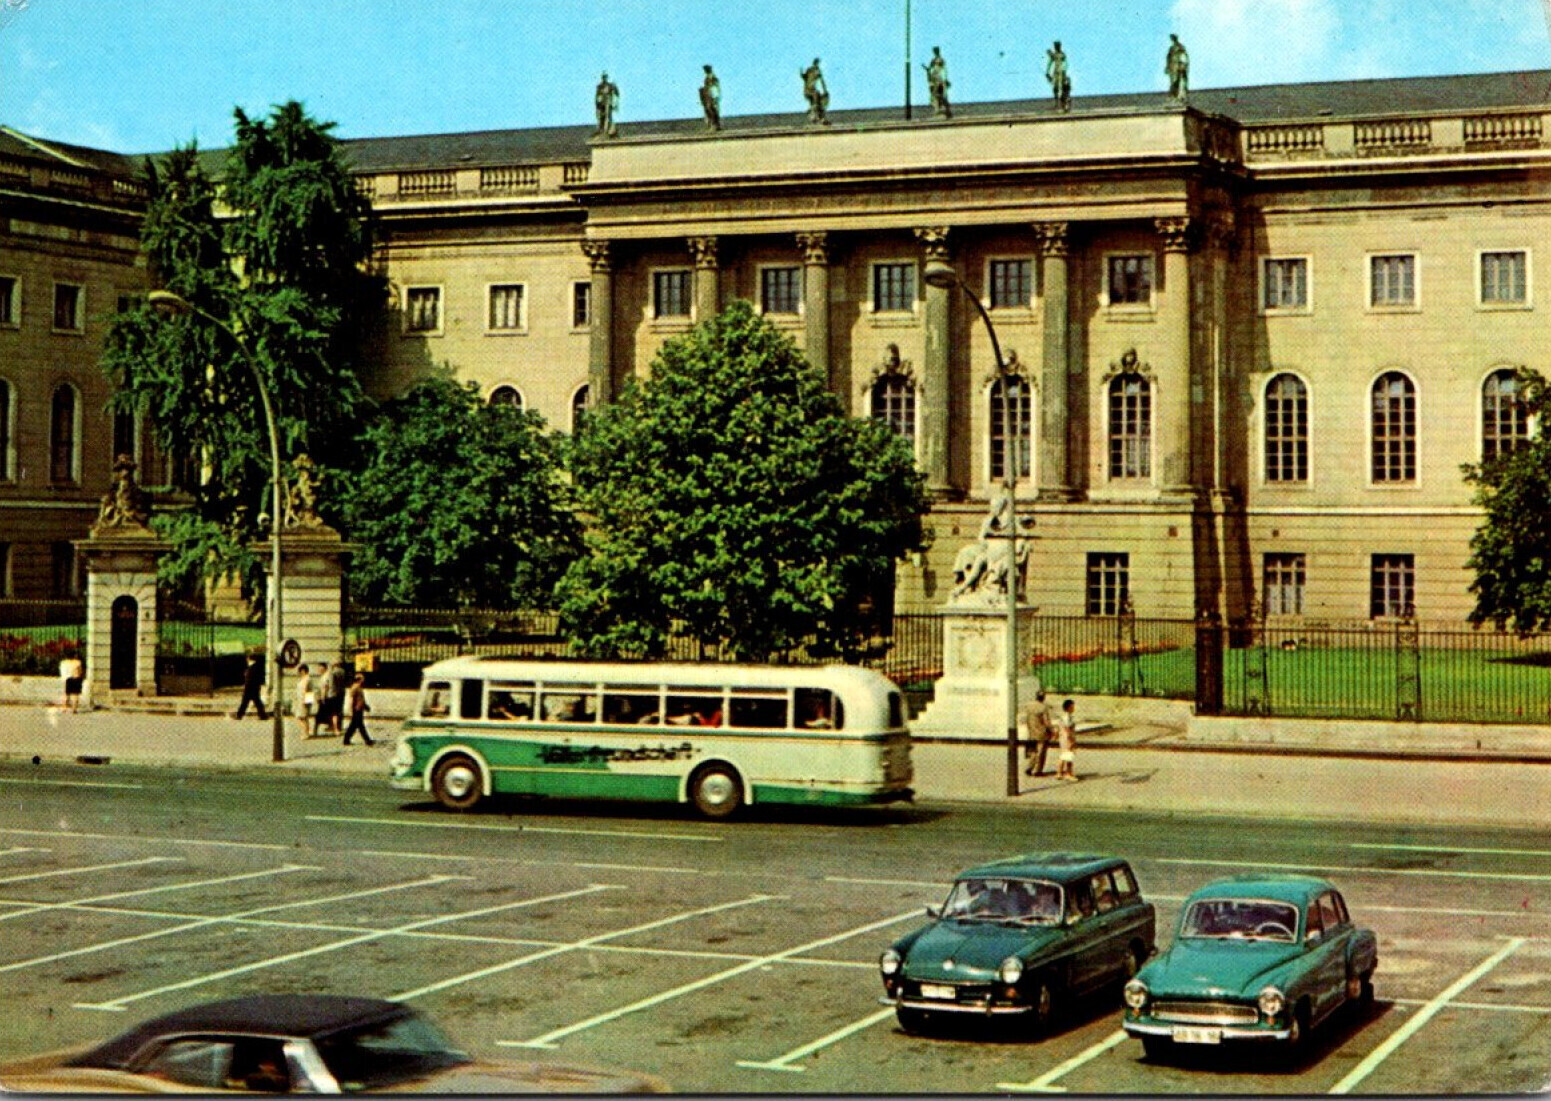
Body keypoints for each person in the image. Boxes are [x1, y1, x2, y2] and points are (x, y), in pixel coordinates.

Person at [1021, 690, 1055, 777]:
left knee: (1033, 751)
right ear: (1044, 697)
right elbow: (1046, 721)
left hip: (1031, 732)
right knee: (1041, 752)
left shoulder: (1029, 706)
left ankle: (1030, 767)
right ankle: (1037, 770)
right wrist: (1052, 730)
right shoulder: (1043, 707)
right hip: (1041, 733)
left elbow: (1026, 719)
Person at [342, 673, 375, 746]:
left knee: (355, 726)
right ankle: (367, 741)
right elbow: (352, 699)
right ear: (359, 680)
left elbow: (361, 699)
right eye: (362, 678)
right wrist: (351, 710)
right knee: (358, 726)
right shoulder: (355, 688)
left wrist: (365, 706)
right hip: (356, 709)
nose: (364, 680)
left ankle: (347, 740)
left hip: (359, 708)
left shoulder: (359, 687)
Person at [234, 653, 268, 721]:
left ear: (250, 659)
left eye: (248, 659)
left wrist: (246, 687)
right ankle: (263, 715)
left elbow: (250, 679)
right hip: (253, 688)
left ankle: (239, 715)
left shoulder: (253, 667)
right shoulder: (254, 667)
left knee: (246, 703)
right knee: (256, 702)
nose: (247, 660)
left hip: (250, 688)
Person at [321, 660, 348, 736]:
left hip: (333, 694)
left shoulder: (332, 673)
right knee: (339, 711)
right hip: (341, 693)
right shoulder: (343, 671)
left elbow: (330, 684)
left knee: (333, 713)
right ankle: (339, 726)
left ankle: (334, 727)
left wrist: (324, 695)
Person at [1056, 698, 1078, 781]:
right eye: (1073, 706)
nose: (1074, 708)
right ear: (1069, 707)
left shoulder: (1063, 716)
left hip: (1063, 737)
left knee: (1063, 755)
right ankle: (1068, 774)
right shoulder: (1068, 717)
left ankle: (1059, 773)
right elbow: (1068, 728)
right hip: (1067, 738)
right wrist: (1071, 739)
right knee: (1069, 755)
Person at [801, 57, 829, 124]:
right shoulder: (812, 70)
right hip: (809, 90)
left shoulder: (815, 70)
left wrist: (825, 90)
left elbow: (822, 81)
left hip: (810, 90)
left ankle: (817, 116)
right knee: (816, 100)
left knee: (816, 101)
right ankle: (815, 115)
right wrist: (825, 90)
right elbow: (805, 77)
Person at [925, 46, 951, 117]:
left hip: (939, 77)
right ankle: (938, 108)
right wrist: (927, 71)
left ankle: (943, 108)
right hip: (934, 77)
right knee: (935, 93)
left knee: (941, 93)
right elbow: (930, 68)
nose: (935, 52)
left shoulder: (941, 60)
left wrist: (945, 78)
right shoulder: (933, 60)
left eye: (936, 51)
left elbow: (944, 69)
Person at [1046, 41, 1070, 113]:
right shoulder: (1055, 55)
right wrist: (1047, 72)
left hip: (1062, 73)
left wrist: (1063, 70)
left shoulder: (1062, 55)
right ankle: (1057, 104)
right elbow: (1050, 63)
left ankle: (1063, 104)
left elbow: (1066, 64)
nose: (1056, 47)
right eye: (1056, 46)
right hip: (1056, 73)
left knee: (1062, 89)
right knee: (1055, 89)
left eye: (1057, 46)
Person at [293, 664, 316, 738]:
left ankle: (305, 733)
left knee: (300, 717)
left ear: (303, 671)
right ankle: (306, 732)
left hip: (304, 699)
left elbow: (304, 689)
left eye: (299, 671)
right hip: (305, 699)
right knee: (304, 717)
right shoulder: (305, 679)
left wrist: (304, 701)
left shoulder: (306, 679)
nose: (298, 673)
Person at [594, 71, 619, 137]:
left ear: (607, 77)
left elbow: (617, 94)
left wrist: (615, 87)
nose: (604, 78)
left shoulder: (610, 85)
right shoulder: (599, 86)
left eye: (605, 77)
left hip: (608, 104)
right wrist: (597, 104)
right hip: (601, 104)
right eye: (603, 77)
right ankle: (601, 129)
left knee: (608, 116)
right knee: (601, 117)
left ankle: (607, 129)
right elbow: (597, 96)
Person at [1165, 34, 1189, 100]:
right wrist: (1167, 66)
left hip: (1179, 66)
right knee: (1173, 81)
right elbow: (1168, 58)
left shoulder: (1180, 47)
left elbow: (1184, 56)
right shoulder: (1171, 48)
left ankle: (1180, 95)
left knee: (1179, 80)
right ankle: (1174, 95)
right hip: (1173, 67)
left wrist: (1183, 64)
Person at [699, 65, 721, 131]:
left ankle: (715, 125)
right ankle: (713, 124)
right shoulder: (708, 77)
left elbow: (715, 86)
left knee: (712, 109)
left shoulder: (712, 77)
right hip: (709, 95)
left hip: (712, 94)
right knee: (710, 109)